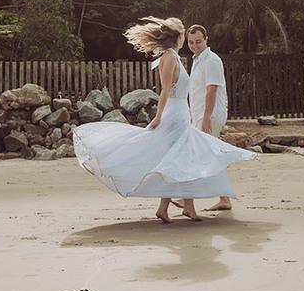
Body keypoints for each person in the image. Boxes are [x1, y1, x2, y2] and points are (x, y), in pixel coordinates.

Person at [72, 16, 258, 223]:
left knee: (180, 159)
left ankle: (176, 207)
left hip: (181, 113)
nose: (189, 42)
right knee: (180, 158)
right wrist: (159, 116)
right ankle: (183, 206)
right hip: (175, 114)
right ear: (179, 37)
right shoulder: (169, 57)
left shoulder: (177, 57)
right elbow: (165, 90)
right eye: (185, 37)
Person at [186, 24, 233, 212]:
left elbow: (211, 90)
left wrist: (206, 117)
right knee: (208, 155)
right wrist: (193, 117)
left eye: (198, 41)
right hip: (199, 115)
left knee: (205, 154)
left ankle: (190, 198)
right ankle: (223, 198)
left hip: (210, 115)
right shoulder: (197, 60)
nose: (194, 45)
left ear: (206, 39)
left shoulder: (211, 60)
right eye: (191, 42)